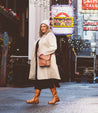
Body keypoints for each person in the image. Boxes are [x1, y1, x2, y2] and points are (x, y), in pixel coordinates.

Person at [26, 20, 61, 104]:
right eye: (41, 26)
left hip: (46, 61)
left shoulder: (50, 35)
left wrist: (43, 53)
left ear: (48, 27)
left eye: (44, 26)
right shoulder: (42, 37)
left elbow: (54, 47)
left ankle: (55, 96)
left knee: (48, 80)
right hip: (40, 62)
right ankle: (35, 97)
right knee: (39, 80)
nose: (42, 28)